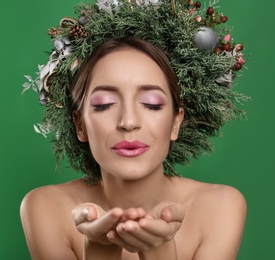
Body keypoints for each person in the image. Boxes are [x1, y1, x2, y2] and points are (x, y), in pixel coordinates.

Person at [21, 1, 248, 259]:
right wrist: (100, 247)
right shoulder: (45, 207)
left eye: (151, 104)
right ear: (80, 125)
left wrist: (159, 248)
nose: (128, 121)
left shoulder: (221, 207)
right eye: (104, 104)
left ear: (176, 122)